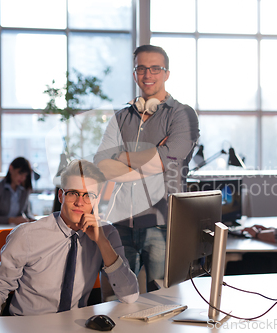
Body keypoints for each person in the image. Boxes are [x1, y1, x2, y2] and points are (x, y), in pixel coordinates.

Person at [94, 45, 199, 291]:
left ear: (167, 74)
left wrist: (120, 156)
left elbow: (164, 161)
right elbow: (101, 165)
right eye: (141, 68)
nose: (148, 74)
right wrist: (152, 154)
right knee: (116, 302)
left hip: (162, 224)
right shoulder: (120, 118)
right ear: (134, 74)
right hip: (119, 224)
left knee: (164, 300)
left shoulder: (183, 115)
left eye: (155, 68)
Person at [0, 159, 139, 316]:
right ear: (61, 196)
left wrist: (102, 243)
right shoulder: (26, 235)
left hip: (75, 326)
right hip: (29, 326)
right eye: (73, 193)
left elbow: (129, 296)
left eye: (88, 195)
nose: (80, 202)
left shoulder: (107, 234)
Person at [0, 157, 35, 225]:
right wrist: (11, 220)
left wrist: (32, 220)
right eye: (20, 173)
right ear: (11, 169)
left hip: (16, 230)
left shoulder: (24, 190)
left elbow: (27, 212)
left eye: (25, 175)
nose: (23, 178)